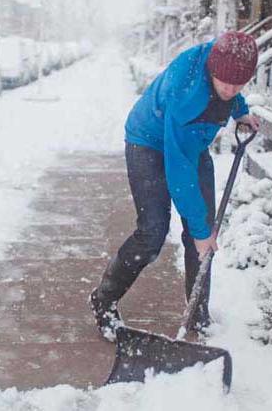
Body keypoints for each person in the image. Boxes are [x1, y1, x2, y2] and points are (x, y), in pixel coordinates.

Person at [89, 31, 261, 341]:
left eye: (240, 85)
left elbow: (232, 89)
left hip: (190, 143)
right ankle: (104, 299)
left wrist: (240, 109)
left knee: (205, 233)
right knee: (153, 232)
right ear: (212, 70)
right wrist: (198, 231)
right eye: (226, 83)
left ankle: (198, 313)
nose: (232, 89)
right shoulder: (186, 94)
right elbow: (179, 171)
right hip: (148, 142)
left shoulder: (226, 58)